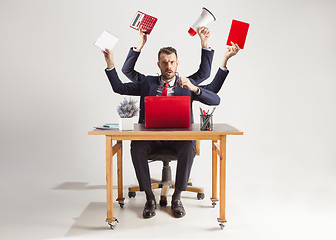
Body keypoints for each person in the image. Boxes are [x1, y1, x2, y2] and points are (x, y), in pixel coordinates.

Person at [102, 38, 220, 219]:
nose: (168, 66)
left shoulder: (186, 84)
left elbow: (214, 97)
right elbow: (119, 87)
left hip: (178, 141)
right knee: (136, 146)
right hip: (151, 139)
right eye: (164, 62)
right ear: (159, 64)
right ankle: (149, 198)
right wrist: (110, 63)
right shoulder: (147, 83)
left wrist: (194, 85)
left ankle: (177, 197)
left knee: (189, 145)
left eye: (172, 62)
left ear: (177, 63)